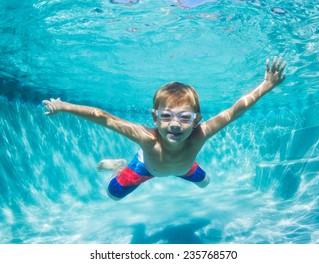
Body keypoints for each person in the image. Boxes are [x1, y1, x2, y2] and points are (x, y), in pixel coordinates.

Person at [43, 56, 286, 200]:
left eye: (184, 117)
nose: (174, 124)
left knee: (206, 183)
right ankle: (119, 164)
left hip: (183, 167)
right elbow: (104, 117)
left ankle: (184, 168)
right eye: (166, 116)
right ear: (155, 118)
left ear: (197, 120)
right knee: (112, 195)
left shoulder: (200, 134)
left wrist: (266, 85)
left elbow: (234, 111)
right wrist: (64, 106)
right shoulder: (146, 139)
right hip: (145, 168)